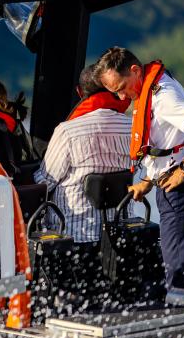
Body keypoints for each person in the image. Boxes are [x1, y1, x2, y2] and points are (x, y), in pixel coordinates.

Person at [96, 46, 184, 290]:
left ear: (134, 71)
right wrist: (147, 181)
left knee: (178, 270)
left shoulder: (163, 98)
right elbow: (168, 141)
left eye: (121, 88)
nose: (122, 98)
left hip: (181, 190)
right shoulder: (155, 85)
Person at [34, 65, 132, 243]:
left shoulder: (67, 131)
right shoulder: (133, 128)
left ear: (80, 92)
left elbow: (45, 182)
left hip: (74, 234)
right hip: (120, 232)